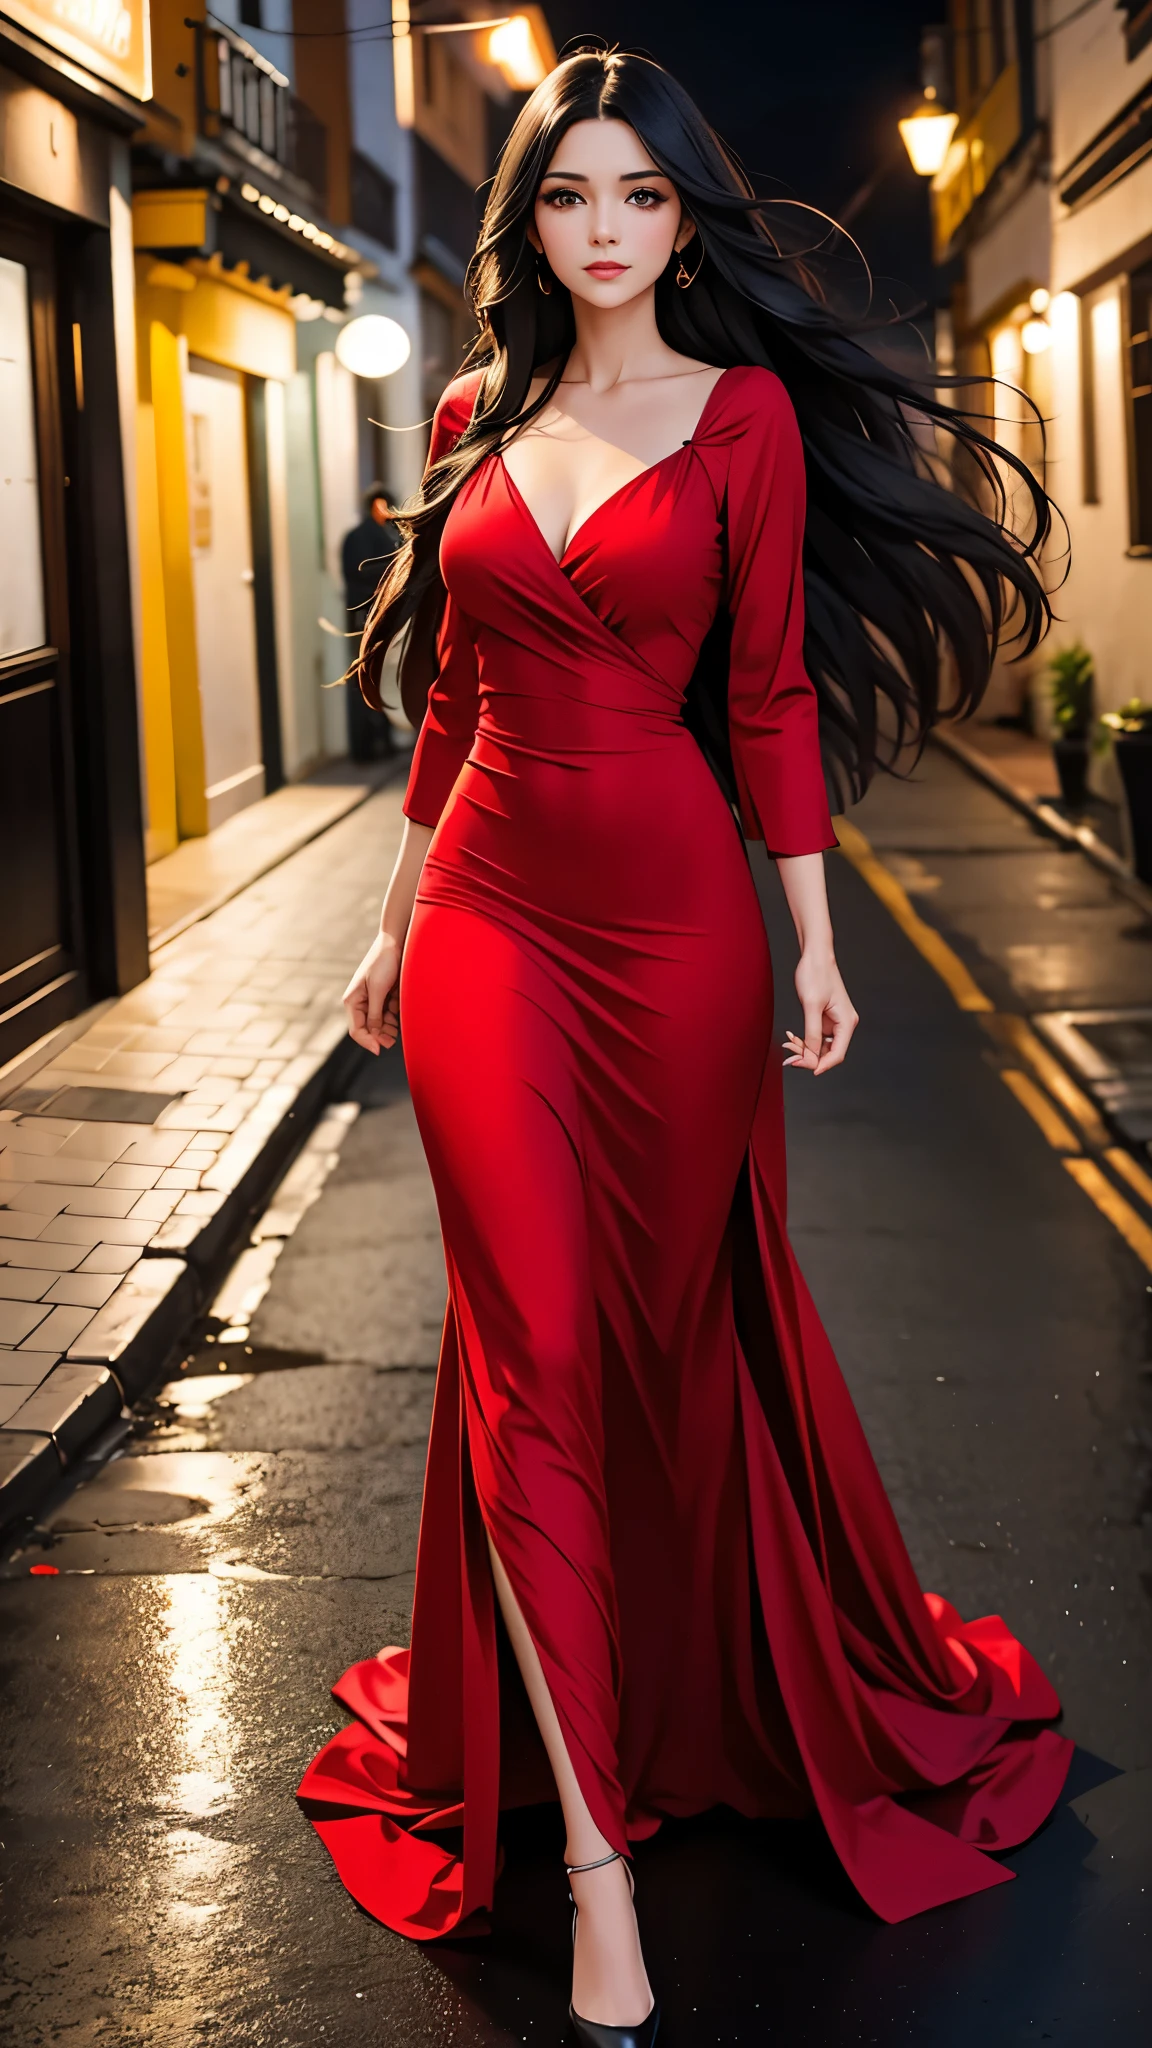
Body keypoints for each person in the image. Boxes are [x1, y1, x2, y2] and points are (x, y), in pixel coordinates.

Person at [300, 45, 1071, 2046]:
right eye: (573, 199)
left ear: (684, 217)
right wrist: (383, 942)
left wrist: (815, 940)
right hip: (482, 918)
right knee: (533, 1353)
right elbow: (452, 705)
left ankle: (726, 1681)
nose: (611, 232)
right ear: (529, 223)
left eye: (643, 198)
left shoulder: (739, 422)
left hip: (677, 936)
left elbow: (771, 695)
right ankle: (591, 1864)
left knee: (676, 1333)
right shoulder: (479, 413)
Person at [341, 484, 401, 761]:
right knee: (364, 680)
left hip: (373, 617)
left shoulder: (378, 535)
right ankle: (365, 748)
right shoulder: (365, 537)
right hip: (365, 618)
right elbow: (363, 573)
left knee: (377, 678)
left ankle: (380, 744)